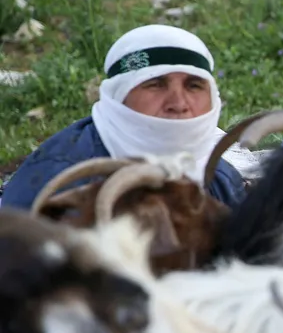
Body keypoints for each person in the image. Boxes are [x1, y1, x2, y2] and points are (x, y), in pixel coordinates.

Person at [2, 25, 248, 209]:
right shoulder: (59, 177)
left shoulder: (220, 180)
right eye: (155, 84)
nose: (178, 104)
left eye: (194, 86)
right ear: (118, 95)